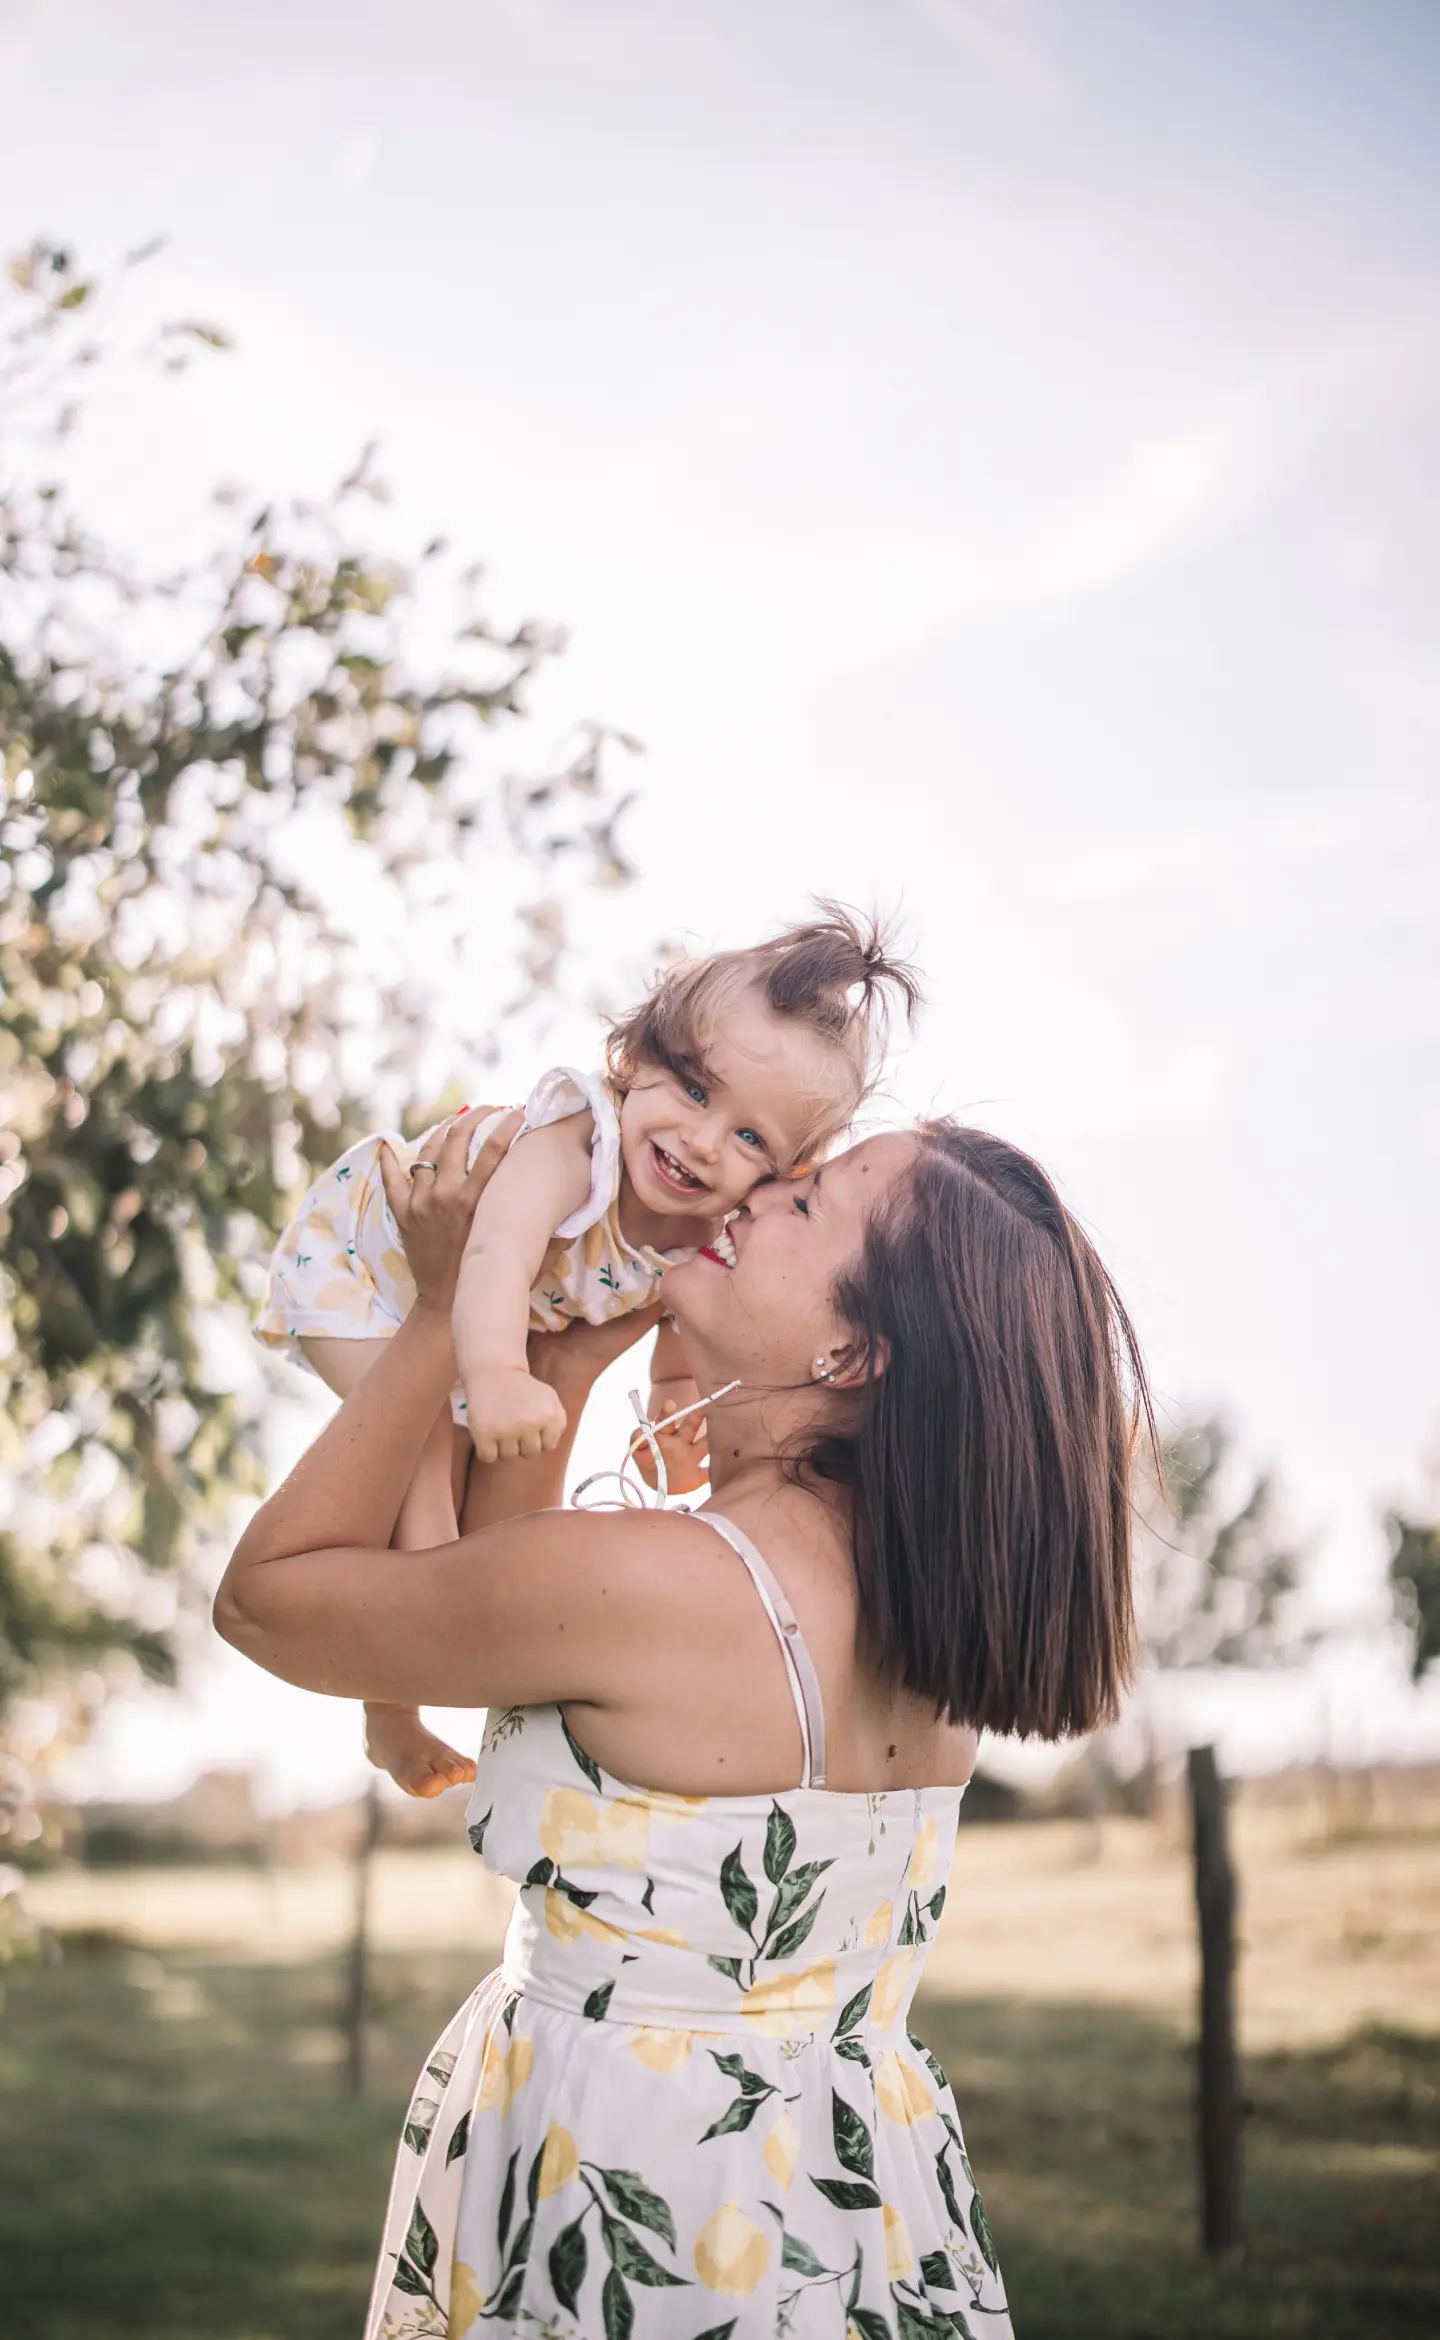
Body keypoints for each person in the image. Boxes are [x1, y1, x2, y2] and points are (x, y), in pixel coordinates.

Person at [216, 1099, 1150, 2340]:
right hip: (844, 2201)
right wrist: (556, 1368)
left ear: (853, 1352)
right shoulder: (906, 1605)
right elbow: (502, 1617)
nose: (749, 1195)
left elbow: (268, 1603)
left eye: (805, 1203)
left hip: (633, 2190)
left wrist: (446, 1314)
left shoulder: (667, 1582)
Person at [252, 908, 919, 1797]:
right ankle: (396, 1693)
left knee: (440, 1489)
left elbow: (674, 1323)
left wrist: (671, 1399)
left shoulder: (709, 1223)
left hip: (461, 1318)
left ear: (782, 1168)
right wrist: (492, 1372)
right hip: (364, 1268)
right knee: (424, 1468)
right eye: (694, 1089)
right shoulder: (581, 1141)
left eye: (753, 1140)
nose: (703, 1142)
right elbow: (489, 1253)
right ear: (638, 1058)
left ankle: (393, 1692)